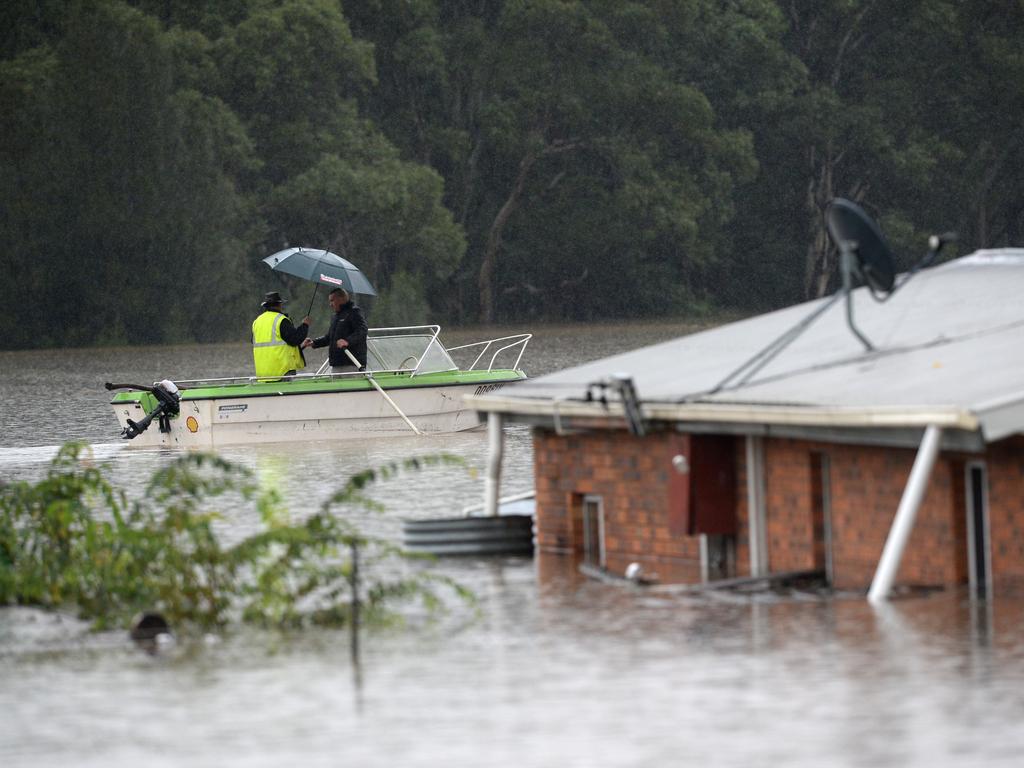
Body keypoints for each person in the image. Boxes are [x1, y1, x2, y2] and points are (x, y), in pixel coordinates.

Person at [302, 287, 367, 373]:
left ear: (341, 299)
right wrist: (314, 343)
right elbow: (329, 338)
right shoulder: (335, 317)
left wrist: (347, 341)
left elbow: (362, 330)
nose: (330, 304)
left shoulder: (354, 312)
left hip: (352, 364)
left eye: (332, 300)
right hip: (336, 364)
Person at [251, 291, 311, 380]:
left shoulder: (257, 322)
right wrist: (305, 325)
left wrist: (302, 346)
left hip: (263, 375)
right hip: (282, 373)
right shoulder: (281, 320)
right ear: (279, 305)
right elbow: (294, 339)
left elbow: (272, 347)